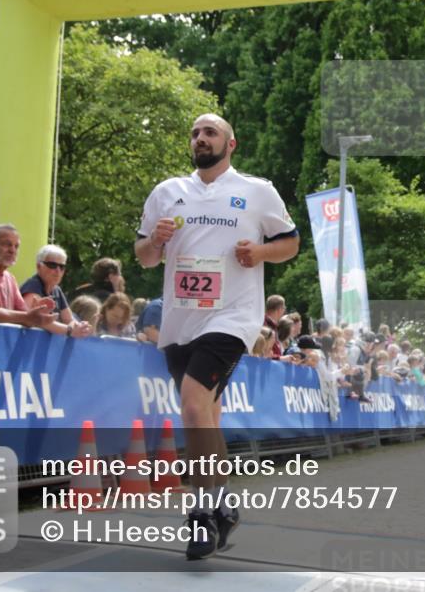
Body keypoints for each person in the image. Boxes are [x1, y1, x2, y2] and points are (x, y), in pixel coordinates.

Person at [135, 113, 298, 559]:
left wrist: (260, 251)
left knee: (192, 405)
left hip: (232, 316)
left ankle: (202, 512)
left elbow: (290, 243)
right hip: (180, 321)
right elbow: (144, 256)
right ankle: (224, 506)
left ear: (231, 144)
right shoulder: (167, 192)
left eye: (210, 133)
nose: (200, 138)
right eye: (195, 133)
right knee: (206, 414)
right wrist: (156, 242)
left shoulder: (257, 191)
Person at [0, 224, 86, 336]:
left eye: (16, 246)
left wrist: (38, 312)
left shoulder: (10, 278)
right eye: (7, 244)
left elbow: (27, 315)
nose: (12, 250)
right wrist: (29, 317)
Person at [20, 244, 90, 333]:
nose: (58, 271)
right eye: (52, 265)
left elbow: (68, 319)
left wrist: (80, 327)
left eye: (62, 267)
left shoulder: (56, 290)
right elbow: (33, 318)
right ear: (39, 266)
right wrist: (70, 330)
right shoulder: (32, 286)